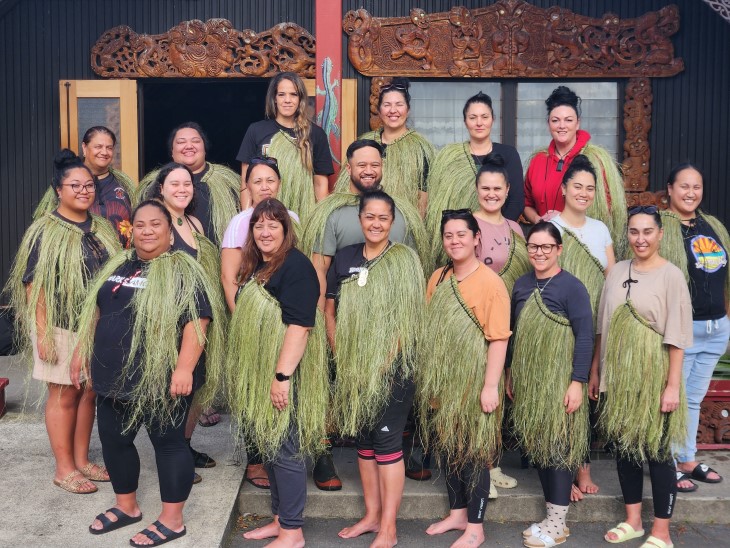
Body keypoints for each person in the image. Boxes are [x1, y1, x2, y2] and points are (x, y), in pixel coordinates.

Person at [71, 200, 225, 545]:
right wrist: (83, 355)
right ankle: (126, 507)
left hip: (161, 380)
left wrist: (184, 368)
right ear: (131, 232)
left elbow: (197, 322)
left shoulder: (184, 271)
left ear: (170, 234)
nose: (147, 230)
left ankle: (172, 520)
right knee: (114, 439)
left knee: (169, 445)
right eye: (140, 225)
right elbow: (95, 313)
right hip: (113, 376)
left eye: (156, 224)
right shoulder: (119, 266)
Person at [302, 139, 428, 489]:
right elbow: (320, 265)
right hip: (340, 322)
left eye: (375, 164)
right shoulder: (332, 213)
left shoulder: (401, 213)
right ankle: (324, 458)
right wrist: (321, 322)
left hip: (391, 326)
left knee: (392, 389)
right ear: (350, 167)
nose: (368, 170)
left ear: (383, 166)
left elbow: (410, 271)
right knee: (329, 386)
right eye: (361, 164)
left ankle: (400, 447)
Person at [6, 149, 121, 494]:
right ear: (59, 189)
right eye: (76, 185)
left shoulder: (100, 227)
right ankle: (64, 468)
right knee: (63, 394)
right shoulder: (45, 230)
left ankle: (82, 459)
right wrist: (41, 332)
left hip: (96, 326)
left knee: (88, 393)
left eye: (89, 185)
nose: (84, 191)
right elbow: (33, 284)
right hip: (59, 324)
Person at [325, 190, 425, 548]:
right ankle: (370, 516)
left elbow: (408, 318)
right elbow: (330, 310)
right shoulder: (345, 257)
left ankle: (389, 527)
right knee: (363, 444)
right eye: (370, 216)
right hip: (352, 369)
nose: (376, 223)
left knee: (386, 444)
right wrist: (343, 356)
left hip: (391, 371)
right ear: (360, 218)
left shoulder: (404, 259)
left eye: (383, 217)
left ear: (392, 222)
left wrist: (382, 361)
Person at [226, 199, 328, 547]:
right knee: (269, 447)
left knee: (285, 450)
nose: (265, 231)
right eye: (259, 225)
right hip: (262, 374)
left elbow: (300, 327)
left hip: (285, 375)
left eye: (273, 224)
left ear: (286, 230)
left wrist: (281, 378)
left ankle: (293, 531)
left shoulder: (296, 267)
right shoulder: (260, 265)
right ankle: (278, 520)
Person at [592, 206, 692, 548]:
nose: (640, 239)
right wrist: (596, 373)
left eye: (647, 231)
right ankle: (633, 520)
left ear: (660, 234)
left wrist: (672, 386)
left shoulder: (671, 276)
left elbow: (677, 336)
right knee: (625, 450)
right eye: (634, 232)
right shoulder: (617, 271)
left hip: (654, 378)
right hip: (619, 379)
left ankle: (661, 532)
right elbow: (602, 328)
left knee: (658, 452)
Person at [418, 210, 510, 548]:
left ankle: (476, 525)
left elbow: (498, 338)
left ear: (476, 239)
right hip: (443, 381)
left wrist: (490, 386)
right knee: (448, 446)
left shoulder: (491, 283)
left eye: (461, 235)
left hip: (475, 381)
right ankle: (457, 513)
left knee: (474, 452)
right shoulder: (438, 277)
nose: (454, 241)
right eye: (448, 235)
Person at [509, 222, 593, 548]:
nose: (539, 253)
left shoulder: (572, 287)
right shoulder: (521, 285)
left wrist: (577, 382)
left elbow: (585, 337)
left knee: (557, 448)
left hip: (560, 382)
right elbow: (516, 335)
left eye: (546, 247)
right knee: (541, 448)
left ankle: (557, 525)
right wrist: (511, 373)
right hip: (530, 382)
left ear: (559, 249)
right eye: (533, 246)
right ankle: (551, 518)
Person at [146, 162, 223, 476]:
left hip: (196, 318)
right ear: (161, 187)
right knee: (172, 388)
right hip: (167, 320)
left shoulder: (193, 222)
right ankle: (171, 453)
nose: (181, 189)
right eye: (174, 184)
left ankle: (184, 446)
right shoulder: (154, 219)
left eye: (187, 184)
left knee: (195, 385)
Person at [655, 163, 729, 492]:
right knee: (672, 397)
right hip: (684, 330)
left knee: (694, 399)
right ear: (669, 189)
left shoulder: (712, 225)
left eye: (696, 186)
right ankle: (665, 462)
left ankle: (685, 457)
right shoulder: (661, 228)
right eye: (683, 186)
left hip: (716, 328)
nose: (690, 192)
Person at [549, 154, 615, 501]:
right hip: (560, 325)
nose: (584, 193)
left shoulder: (600, 229)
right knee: (563, 396)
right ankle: (567, 469)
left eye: (590, 188)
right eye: (577, 186)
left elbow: (612, 278)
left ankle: (583, 466)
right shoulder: (553, 227)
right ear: (564, 188)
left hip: (594, 323)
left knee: (588, 392)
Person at [523, 86, 626, 255]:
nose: (561, 126)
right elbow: (526, 203)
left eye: (568, 120)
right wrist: (538, 219)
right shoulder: (538, 160)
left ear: (578, 123)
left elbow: (607, 208)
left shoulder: (596, 159)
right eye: (555, 120)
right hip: (545, 249)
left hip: (583, 247)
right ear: (548, 123)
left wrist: (563, 220)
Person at [425, 92, 523, 260]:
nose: (479, 123)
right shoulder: (451, 156)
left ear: (493, 119)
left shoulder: (508, 154)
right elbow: (438, 203)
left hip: (500, 242)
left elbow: (516, 201)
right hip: (459, 242)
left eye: (484, 117)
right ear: (465, 121)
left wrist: (494, 231)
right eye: (473, 117)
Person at [237, 72, 334, 220]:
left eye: (293, 94)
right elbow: (245, 184)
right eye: (281, 94)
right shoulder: (256, 130)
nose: (287, 100)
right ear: (274, 98)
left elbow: (320, 184)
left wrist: (319, 222)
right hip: (264, 216)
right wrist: (246, 219)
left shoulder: (315, 134)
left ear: (300, 99)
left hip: (302, 215)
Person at [332, 77, 435, 214]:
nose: (393, 110)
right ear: (379, 111)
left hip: (402, 224)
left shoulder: (421, 148)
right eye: (387, 105)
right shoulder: (365, 143)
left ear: (408, 110)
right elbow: (346, 187)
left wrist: (414, 227)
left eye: (399, 104)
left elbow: (424, 197)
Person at [137, 121, 240, 245]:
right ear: (172, 151)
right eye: (181, 142)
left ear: (205, 149)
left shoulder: (228, 181)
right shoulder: (152, 184)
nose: (189, 146)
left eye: (195, 141)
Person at [34, 126, 136, 247]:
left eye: (109, 148)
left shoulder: (124, 185)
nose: (104, 152)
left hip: (120, 259)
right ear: (84, 147)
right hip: (79, 258)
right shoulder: (66, 182)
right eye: (98, 147)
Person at [221, 156, 300, 312]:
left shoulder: (292, 218)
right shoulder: (239, 222)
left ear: (279, 183)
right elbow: (228, 277)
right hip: (253, 308)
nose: (265, 187)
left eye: (270, 181)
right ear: (248, 186)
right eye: (258, 182)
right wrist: (240, 318)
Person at [465, 152, 528, 294]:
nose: (491, 194)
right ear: (477, 189)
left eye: (497, 189)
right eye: (486, 188)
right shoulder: (467, 225)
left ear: (507, 190)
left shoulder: (515, 228)